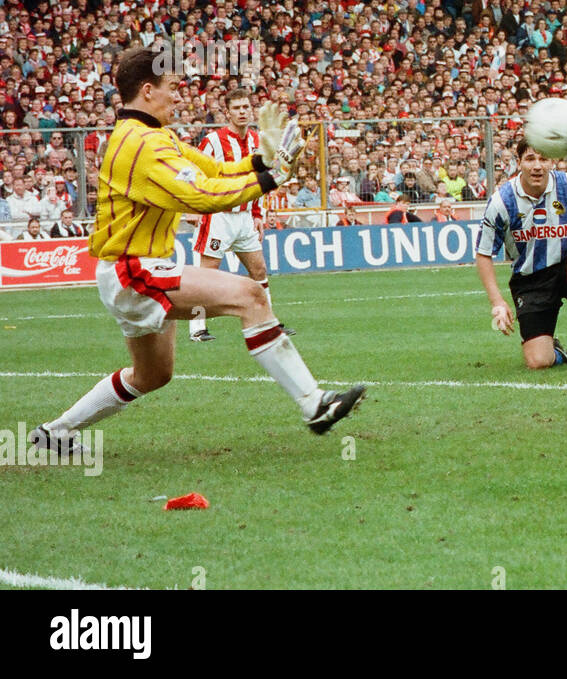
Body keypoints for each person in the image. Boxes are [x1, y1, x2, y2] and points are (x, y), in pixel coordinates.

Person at [29, 46, 363, 459]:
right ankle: (315, 405)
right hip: (134, 269)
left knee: (153, 375)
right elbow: (199, 195)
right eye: (173, 88)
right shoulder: (142, 144)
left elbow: (212, 170)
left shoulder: (151, 136)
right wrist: (271, 178)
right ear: (148, 91)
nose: (179, 96)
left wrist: (260, 160)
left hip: (129, 268)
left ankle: (54, 432)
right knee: (251, 295)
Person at [475, 136, 567, 370]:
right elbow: (483, 253)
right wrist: (497, 301)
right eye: (530, 159)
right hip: (530, 280)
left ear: (551, 162)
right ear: (518, 162)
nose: (537, 165)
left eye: (543, 159)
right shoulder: (502, 200)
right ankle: (558, 353)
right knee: (538, 362)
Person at [189, 88, 296, 343]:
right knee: (206, 275)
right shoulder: (213, 140)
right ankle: (197, 328)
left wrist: (258, 213)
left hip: (245, 216)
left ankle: (269, 323)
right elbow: (195, 172)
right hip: (218, 216)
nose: (242, 112)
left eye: (245, 107)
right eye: (236, 108)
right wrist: (194, 207)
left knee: (259, 270)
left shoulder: (258, 141)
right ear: (227, 112)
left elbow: (258, 180)